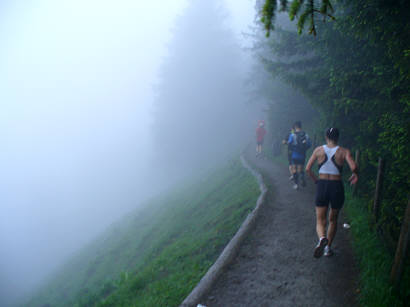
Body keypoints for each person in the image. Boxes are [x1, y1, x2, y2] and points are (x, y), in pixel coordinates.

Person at [305, 127, 358, 258]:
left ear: (326, 137)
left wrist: (315, 180)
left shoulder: (318, 150)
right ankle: (328, 248)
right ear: (337, 137)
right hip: (336, 186)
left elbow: (307, 169)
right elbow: (354, 167)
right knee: (333, 219)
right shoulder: (344, 151)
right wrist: (355, 174)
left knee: (320, 219)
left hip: (322, 185)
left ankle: (322, 238)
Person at [287, 121, 311, 189]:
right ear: (301, 126)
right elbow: (309, 144)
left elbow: (289, 143)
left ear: (295, 127)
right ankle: (302, 177)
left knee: (294, 169)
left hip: (294, 155)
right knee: (300, 169)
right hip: (302, 155)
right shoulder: (305, 134)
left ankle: (296, 184)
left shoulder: (292, 135)